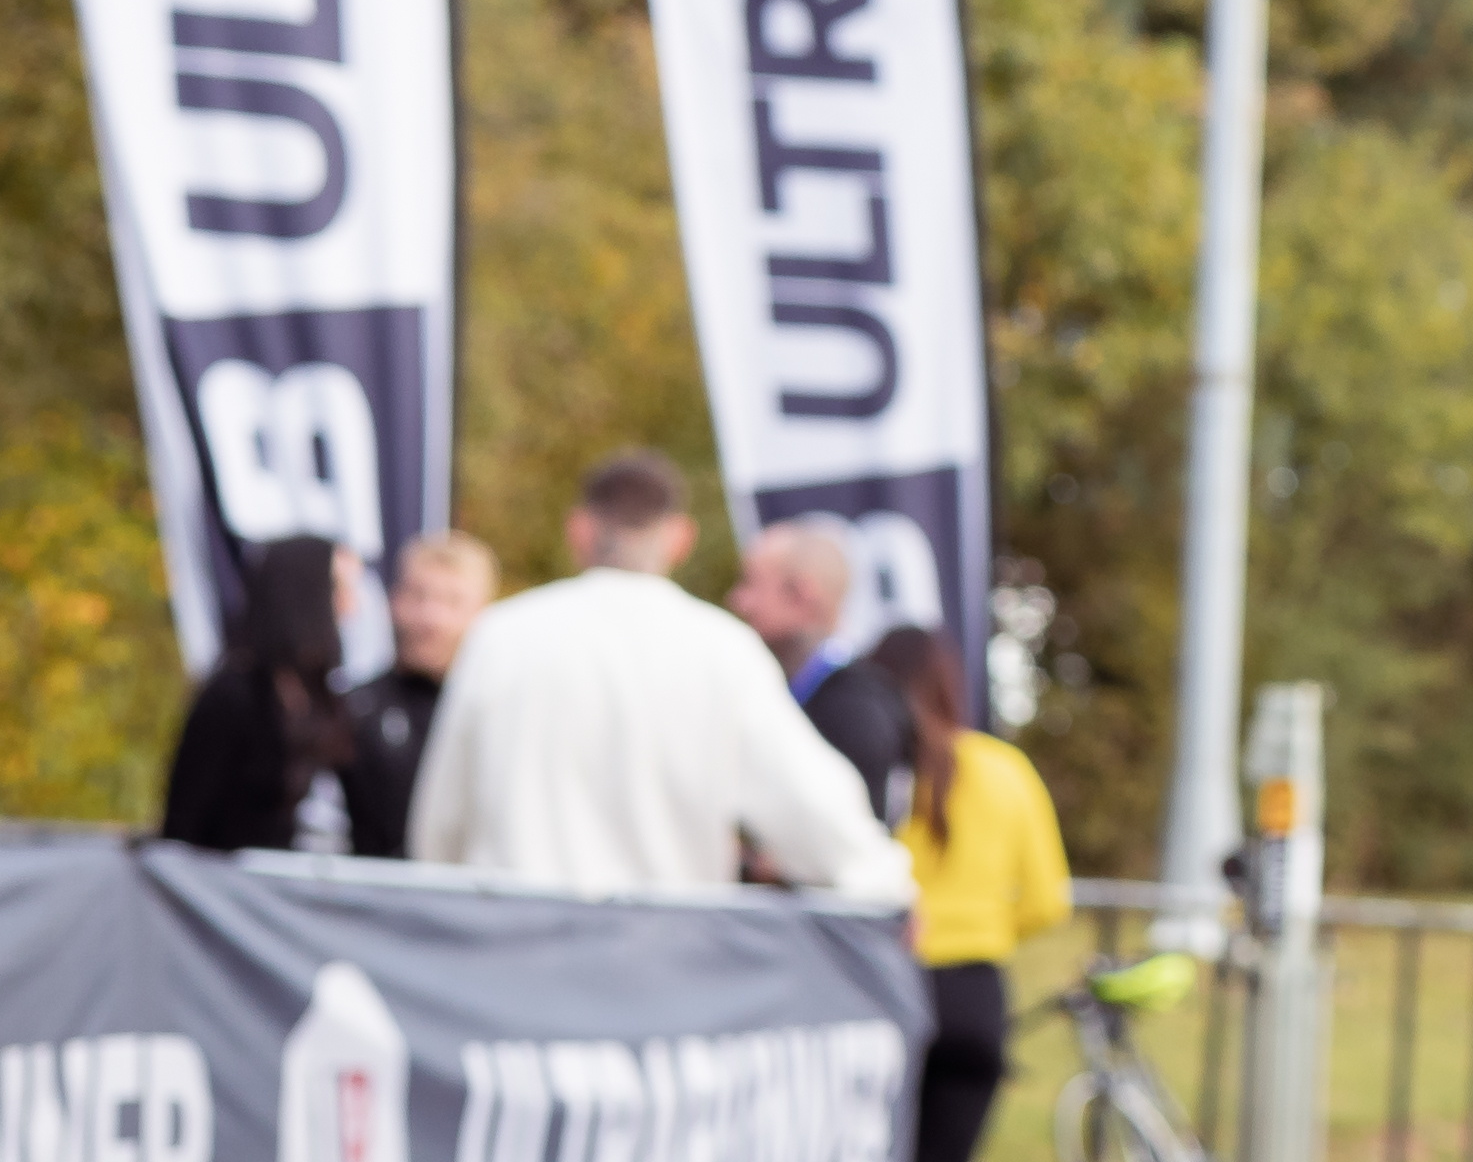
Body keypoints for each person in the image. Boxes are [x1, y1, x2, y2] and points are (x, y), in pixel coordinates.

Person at [407, 449, 908, 899]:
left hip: (512, 966)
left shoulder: (502, 637)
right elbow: (816, 815)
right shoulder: (722, 650)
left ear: (579, 529)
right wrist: (886, 882)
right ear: (679, 538)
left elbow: (441, 828)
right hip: (664, 971)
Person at [887, 623, 1069, 1162]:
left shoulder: (883, 771)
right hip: (974, 997)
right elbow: (1047, 901)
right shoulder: (1005, 769)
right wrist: (983, 929)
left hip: (888, 985)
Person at [157, 532, 368, 852]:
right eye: (340, 589)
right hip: (229, 891)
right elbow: (184, 823)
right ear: (306, 592)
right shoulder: (233, 695)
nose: (351, 606)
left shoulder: (323, 695)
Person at [734, 514, 922, 825]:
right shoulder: (818, 694)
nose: (740, 600)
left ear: (802, 594)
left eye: (751, 583)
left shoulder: (854, 711)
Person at [347, 528, 496, 861]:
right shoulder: (354, 708)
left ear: (484, 613)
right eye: (418, 596)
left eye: (452, 601)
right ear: (395, 601)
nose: (431, 618)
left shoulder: (501, 715)